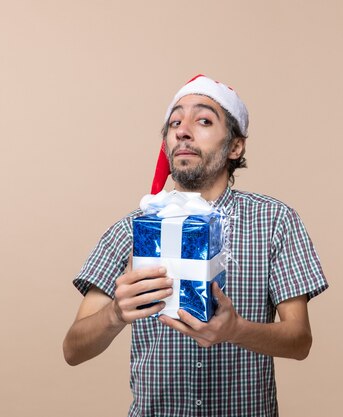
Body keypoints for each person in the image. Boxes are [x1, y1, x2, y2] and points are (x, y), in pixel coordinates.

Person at [63, 74, 328, 416]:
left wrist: (236, 330)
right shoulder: (130, 230)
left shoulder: (275, 221)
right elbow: (73, 349)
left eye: (203, 120)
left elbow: (300, 341)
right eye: (174, 122)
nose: (183, 130)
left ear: (235, 146)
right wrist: (115, 313)